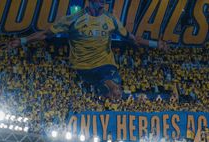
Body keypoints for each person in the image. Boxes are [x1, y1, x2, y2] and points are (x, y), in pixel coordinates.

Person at [9, 0, 167, 99]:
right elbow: (45, 34)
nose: (103, 3)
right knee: (112, 86)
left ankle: (109, 92)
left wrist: (155, 44)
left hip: (105, 65)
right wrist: (22, 40)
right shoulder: (74, 19)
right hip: (83, 68)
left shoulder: (111, 20)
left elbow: (134, 39)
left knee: (111, 86)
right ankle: (112, 90)